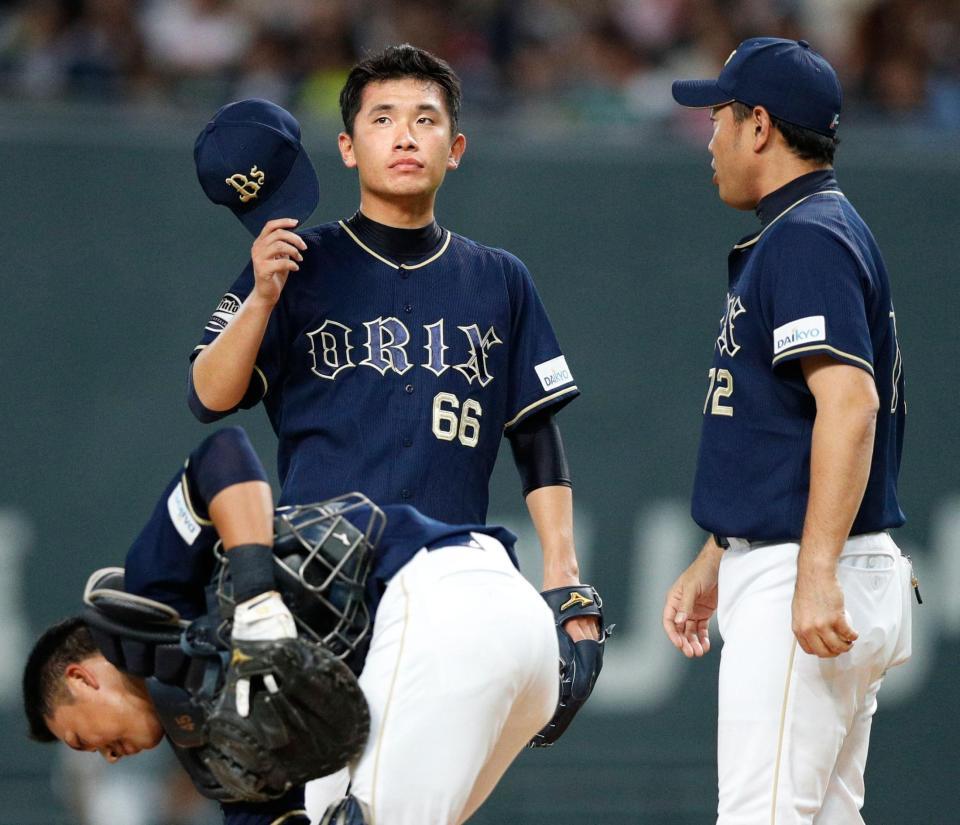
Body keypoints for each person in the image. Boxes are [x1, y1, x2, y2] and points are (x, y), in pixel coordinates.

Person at [187, 45, 597, 650]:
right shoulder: (290, 263)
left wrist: (564, 576)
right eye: (382, 119)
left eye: (425, 119)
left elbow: (535, 434)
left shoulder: (500, 278)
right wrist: (262, 300)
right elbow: (208, 396)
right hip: (317, 575)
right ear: (348, 148)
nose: (405, 136)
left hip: (452, 576)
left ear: (455, 150)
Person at [24, 426, 606, 825]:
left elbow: (221, 453)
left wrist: (255, 597)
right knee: (336, 803)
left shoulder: (148, 606)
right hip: (501, 643)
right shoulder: (222, 761)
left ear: (81, 677)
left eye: (80, 738)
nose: (102, 755)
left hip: (442, 594)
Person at [661, 38, 914, 824]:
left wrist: (813, 570)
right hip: (800, 556)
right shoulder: (813, 228)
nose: (710, 138)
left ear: (760, 126)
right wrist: (717, 550)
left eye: (719, 118)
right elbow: (787, 425)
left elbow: (850, 404)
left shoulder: (807, 233)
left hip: (804, 569)